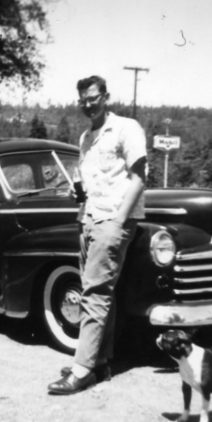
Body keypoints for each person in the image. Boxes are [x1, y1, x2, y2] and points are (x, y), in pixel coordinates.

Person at [48, 75, 147, 395]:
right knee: (102, 292)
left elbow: (139, 178)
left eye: (93, 98)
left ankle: (81, 370)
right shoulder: (85, 138)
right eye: (82, 100)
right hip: (88, 218)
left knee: (94, 292)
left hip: (112, 220)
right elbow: (91, 184)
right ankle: (100, 361)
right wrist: (76, 193)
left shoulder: (126, 128)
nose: (88, 104)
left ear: (105, 96)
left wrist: (119, 221)